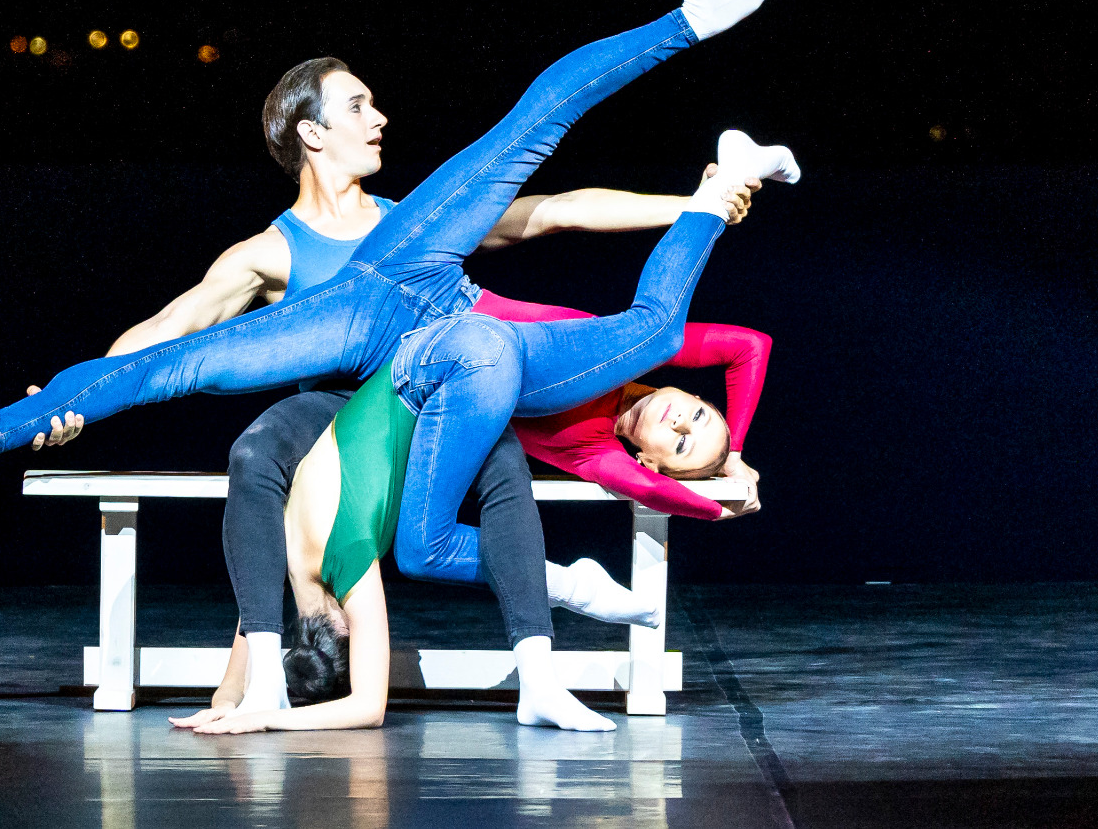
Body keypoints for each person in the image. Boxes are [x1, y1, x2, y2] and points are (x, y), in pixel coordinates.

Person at [0, 0, 794, 499]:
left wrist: (696, 202)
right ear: (311, 132)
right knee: (176, 369)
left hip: (441, 327)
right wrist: (66, 402)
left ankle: (690, 18)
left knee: (525, 136)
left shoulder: (414, 220)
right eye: (359, 106)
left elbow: (552, 211)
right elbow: (167, 333)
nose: (380, 118)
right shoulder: (267, 252)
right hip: (366, 343)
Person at [174, 131, 797, 734]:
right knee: (654, 331)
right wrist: (733, 460)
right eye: (696, 414)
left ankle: (546, 658)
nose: (680, 421)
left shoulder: (593, 447)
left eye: (682, 442)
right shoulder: (619, 357)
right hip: (423, 356)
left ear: (652, 459)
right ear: (693, 394)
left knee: (481, 482)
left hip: (446, 381)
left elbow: (556, 214)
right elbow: (748, 347)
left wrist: (718, 500)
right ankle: (718, 191)